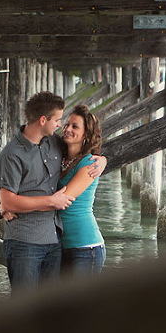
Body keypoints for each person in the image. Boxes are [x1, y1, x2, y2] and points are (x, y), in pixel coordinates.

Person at [0, 91, 105, 290]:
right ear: (43, 120)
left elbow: (63, 198)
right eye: (61, 121)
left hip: (70, 243)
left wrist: (103, 160)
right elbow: (10, 198)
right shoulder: (21, 152)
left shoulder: (69, 152)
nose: (64, 127)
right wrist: (8, 204)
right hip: (35, 241)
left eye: (73, 125)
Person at [58, 104, 106, 275]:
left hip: (86, 247)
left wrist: (17, 205)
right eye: (67, 124)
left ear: (86, 134)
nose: (67, 129)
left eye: (75, 126)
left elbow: (63, 199)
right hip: (62, 245)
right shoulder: (60, 159)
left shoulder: (90, 163)